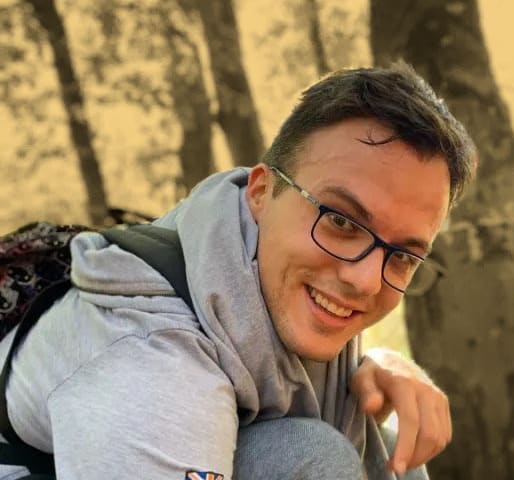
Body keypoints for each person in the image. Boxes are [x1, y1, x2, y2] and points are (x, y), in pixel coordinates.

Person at [0, 62, 476, 479]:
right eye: (340, 221)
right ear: (262, 192)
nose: (365, 280)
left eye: (402, 256)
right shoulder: (153, 369)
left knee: (388, 453)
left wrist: (378, 365)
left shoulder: (249, 251)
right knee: (313, 458)